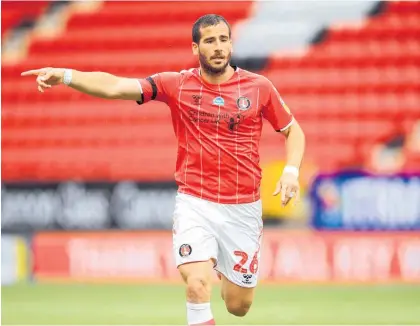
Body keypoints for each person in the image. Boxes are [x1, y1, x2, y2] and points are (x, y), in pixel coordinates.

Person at [22, 14, 305, 326]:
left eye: (224, 39)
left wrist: (291, 170)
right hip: (196, 203)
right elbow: (117, 86)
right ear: (196, 48)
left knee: (238, 306)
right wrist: (65, 75)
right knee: (197, 286)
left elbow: (294, 131)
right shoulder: (177, 85)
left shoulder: (259, 87)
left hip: (243, 210)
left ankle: (229, 272)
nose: (218, 47)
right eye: (210, 41)